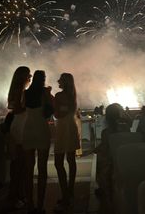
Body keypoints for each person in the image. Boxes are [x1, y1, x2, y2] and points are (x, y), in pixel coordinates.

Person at [23, 70, 54, 214]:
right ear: (43, 79)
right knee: (42, 169)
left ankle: (29, 204)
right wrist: (49, 95)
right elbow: (49, 112)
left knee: (28, 170)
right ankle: (40, 205)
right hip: (41, 129)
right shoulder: (44, 93)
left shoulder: (26, 93)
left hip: (28, 130)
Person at [53, 73, 80, 212]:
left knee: (58, 162)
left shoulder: (59, 96)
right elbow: (66, 111)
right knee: (71, 160)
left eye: (60, 80)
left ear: (64, 82)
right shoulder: (73, 96)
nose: (58, 81)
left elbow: (57, 114)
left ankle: (65, 194)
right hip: (71, 126)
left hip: (63, 127)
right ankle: (70, 190)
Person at [6, 66, 31, 210]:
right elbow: (18, 109)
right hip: (20, 126)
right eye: (29, 75)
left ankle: (16, 194)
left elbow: (12, 107)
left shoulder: (15, 90)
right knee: (20, 163)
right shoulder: (21, 91)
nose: (30, 78)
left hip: (18, 125)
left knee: (18, 163)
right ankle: (17, 195)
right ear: (23, 77)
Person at [94, 103, 130, 199]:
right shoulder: (126, 129)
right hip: (125, 159)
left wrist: (94, 150)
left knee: (99, 162)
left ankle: (103, 188)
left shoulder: (105, 132)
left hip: (111, 163)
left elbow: (104, 148)